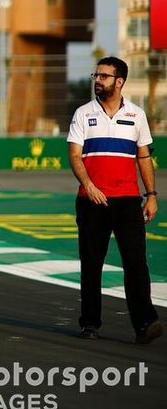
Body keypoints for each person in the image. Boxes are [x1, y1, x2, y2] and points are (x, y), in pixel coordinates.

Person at [67, 56, 162, 344]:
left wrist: (151, 195)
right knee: (92, 263)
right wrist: (89, 186)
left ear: (119, 81)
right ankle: (90, 323)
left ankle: (145, 323)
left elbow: (144, 157)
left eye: (104, 76)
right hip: (91, 201)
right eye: (96, 74)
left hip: (128, 202)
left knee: (136, 263)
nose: (98, 80)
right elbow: (74, 154)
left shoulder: (137, 115)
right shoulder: (83, 113)